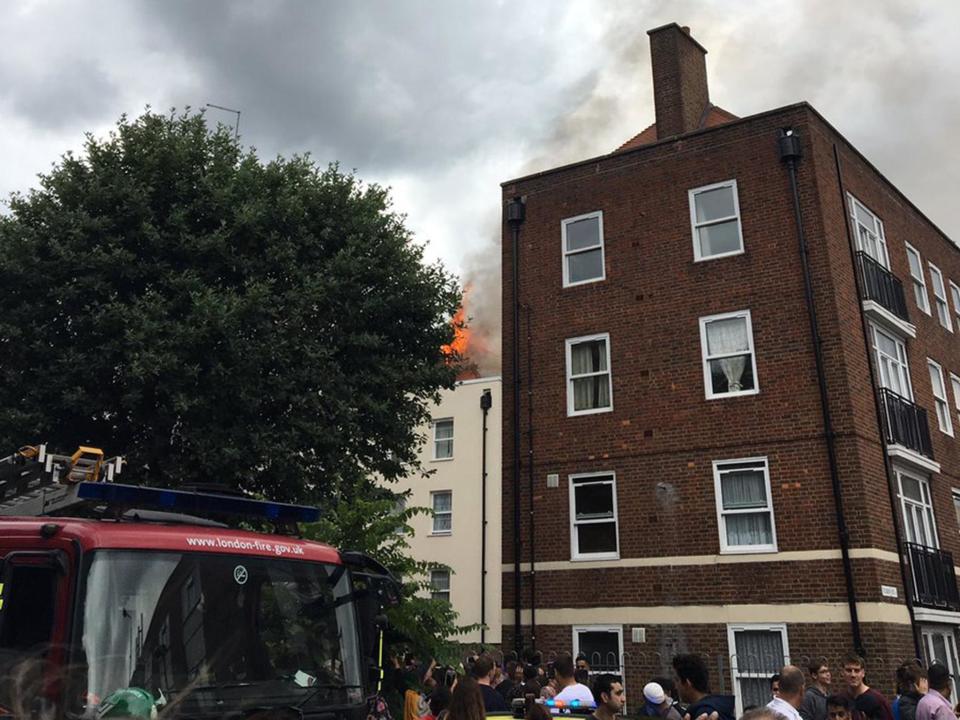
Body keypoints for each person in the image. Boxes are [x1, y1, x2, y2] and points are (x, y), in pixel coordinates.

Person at [671, 653, 735, 720]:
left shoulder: (704, 713)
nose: (676, 686)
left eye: (677, 680)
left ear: (687, 683)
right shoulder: (718, 706)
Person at [841, 653, 894, 720]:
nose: (853, 675)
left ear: (863, 673)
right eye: (848, 670)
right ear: (842, 672)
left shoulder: (878, 700)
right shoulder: (841, 699)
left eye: (857, 671)